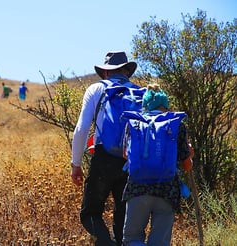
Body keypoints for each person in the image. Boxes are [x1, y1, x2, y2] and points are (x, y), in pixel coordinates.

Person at [71, 51, 139, 245]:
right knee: (123, 220)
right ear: (127, 71)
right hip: (131, 161)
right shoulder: (138, 92)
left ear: (106, 72)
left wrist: (76, 163)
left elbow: (82, 128)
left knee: (89, 214)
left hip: (103, 157)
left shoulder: (96, 89)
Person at [121, 84, 194, 246]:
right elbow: (186, 165)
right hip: (167, 191)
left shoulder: (133, 123)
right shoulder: (176, 125)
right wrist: (190, 155)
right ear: (166, 106)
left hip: (137, 189)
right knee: (159, 242)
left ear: (145, 105)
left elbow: (126, 154)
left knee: (131, 239)